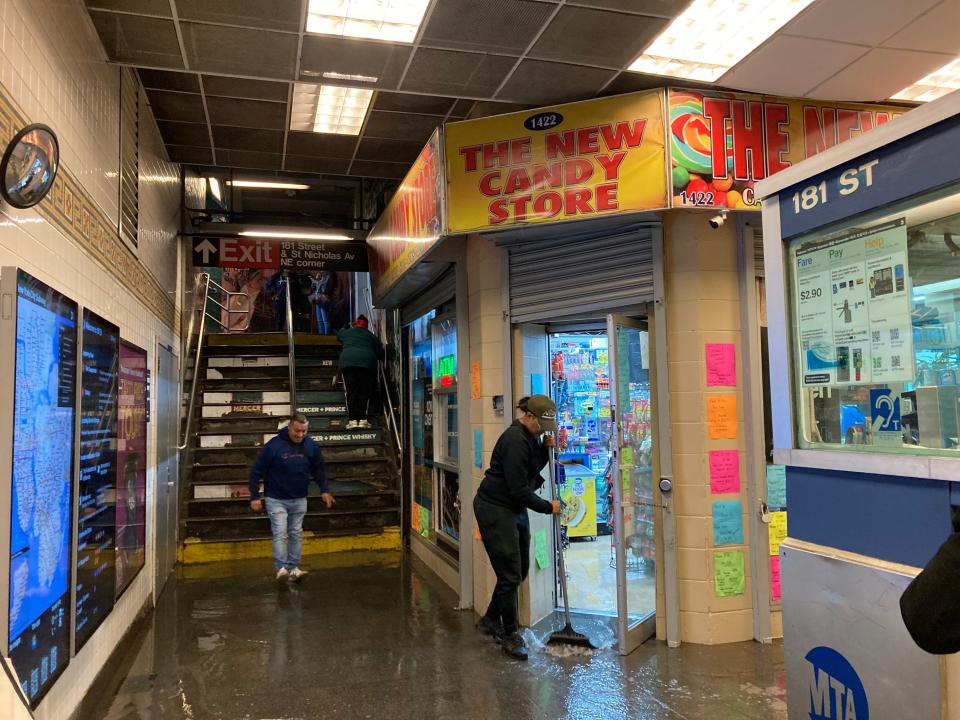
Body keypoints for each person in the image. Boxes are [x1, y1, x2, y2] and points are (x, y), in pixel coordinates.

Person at [473, 395, 562, 660]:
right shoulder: (514, 440)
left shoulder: (530, 438)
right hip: (496, 508)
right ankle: (510, 635)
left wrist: (545, 451)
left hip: (512, 508)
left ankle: (490, 619)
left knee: (518, 570)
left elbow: (528, 472)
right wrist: (548, 506)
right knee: (511, 573)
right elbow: (519, 489)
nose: (544, 431)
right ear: (529, 416)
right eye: (542, 425)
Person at [248, 413, 335, 581]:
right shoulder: (273, 446)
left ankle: (293, 568)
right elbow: (256, 471)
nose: (300, 435)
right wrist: (254, 496)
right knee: (280, 533)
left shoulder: (310, 446)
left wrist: (324, 490)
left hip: (299, 498)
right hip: (276, 498)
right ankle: (281, 568)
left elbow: (319, 469)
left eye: (304, 431)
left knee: (295, 533)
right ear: (289, 428)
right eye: (297, 431)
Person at [336, 315, 385, 429]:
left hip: (347, 363)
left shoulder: (347, 333)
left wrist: (345, 327)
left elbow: (338, 336)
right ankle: (363, 420)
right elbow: (380, 351)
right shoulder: (370, 335)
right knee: (364, 392)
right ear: (366, 326)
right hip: (366, 364)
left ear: (355, 324)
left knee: (351, 392)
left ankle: (352, 420)